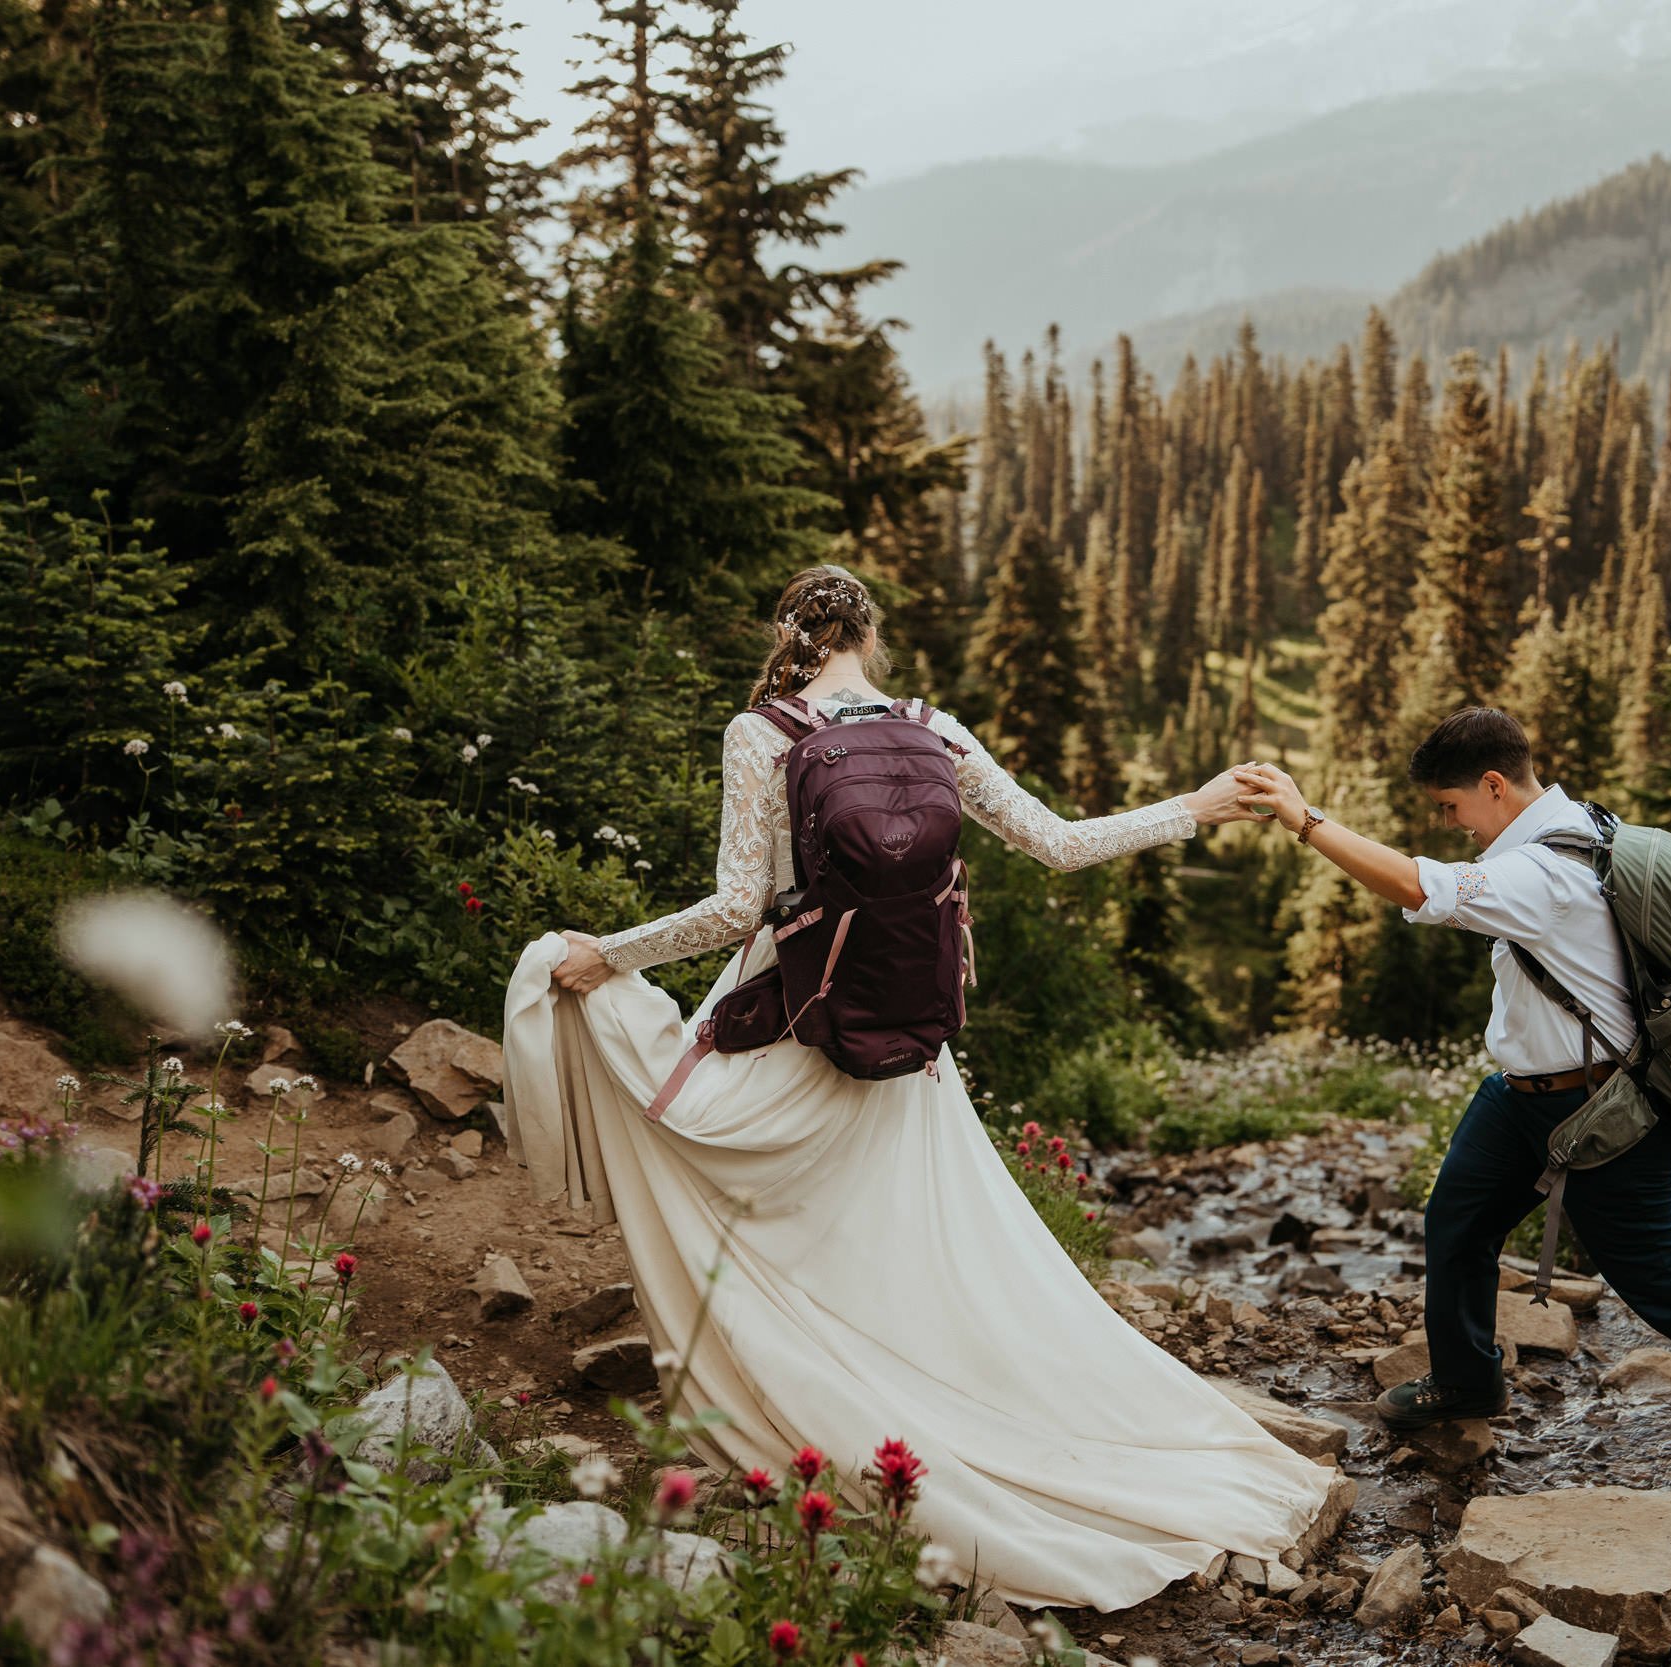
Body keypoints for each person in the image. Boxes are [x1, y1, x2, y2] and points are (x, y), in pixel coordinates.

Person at [501, 564, 1340, 1609]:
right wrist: (1195, 805)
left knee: (747, 1184)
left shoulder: (760, 731)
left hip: (798, 1021)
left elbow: (733, 909)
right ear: (871, 637)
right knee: (913, 1247)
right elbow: (1060, 844)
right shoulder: (932, 727)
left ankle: (812, 1395)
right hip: (910, 1044)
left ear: (788, 633)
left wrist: (605, 957)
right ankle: (943, 1403)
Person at [1230, 708, 1671, 1521]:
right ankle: (1468, 1377)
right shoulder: (1575, 824)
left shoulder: (1548, 870)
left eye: (1451, 805)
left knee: (1664, 1286)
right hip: (1519, 1095)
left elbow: (1415, 884)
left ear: (1495, 785)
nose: (1451, 824)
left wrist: (1305, 818)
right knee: (1456, 1224)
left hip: (1604, 1109)